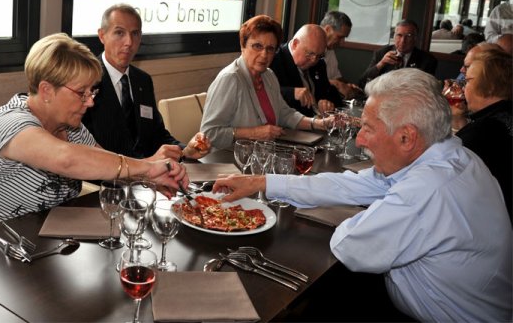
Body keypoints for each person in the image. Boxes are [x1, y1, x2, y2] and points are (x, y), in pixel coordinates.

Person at [213, 68, 511, 322]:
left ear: (407, 137)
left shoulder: (426, 191)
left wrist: (380, 210)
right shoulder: (450, 157)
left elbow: (349, 245)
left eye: (368, 127)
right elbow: (348, 184)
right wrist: (260, 182)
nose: (359, 138)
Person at [0, 33, 188, 238]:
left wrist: (150, 177)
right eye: (81, 93)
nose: (90, 102)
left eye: (93, 91)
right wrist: (147, 166)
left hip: (29, 243)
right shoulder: (10, 123)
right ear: (47, 90)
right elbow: (66, 159)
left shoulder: (72, 128)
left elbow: (106, 164)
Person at [82, 4, 210, 161]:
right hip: (107, 180)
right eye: (119, 33)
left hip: (148, 177)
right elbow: (84, 149)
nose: (129, 42)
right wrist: (145, 166)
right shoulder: (86, 82)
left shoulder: (142, 80)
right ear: (102, 36)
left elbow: (156, 135)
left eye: (134, 34)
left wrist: (186, 150)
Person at [200, 15, 326, 150]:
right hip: (230, 160)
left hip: (262, 155)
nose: (264, 55)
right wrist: (253, 133)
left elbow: (285, 113)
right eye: (257, 46)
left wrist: (318, 123)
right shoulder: (230, 79)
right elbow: (209, 133)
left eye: (270, 49)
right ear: (243, 45)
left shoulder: (268, 76)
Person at [456, 48, 512, 222]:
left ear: (490, 86)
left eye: (467, 81)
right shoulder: (503, 114)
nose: (463, 87)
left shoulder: (482, 133)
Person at [269, 24, 342, 117]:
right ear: (295, 44)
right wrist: (292, 92)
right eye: (310, 54)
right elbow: (264, 92)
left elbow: (328, 92)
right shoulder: (274, 60)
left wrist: (326, 103)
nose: (314, 60)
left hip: (316, 123)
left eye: (319, 56)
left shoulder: (319, 64)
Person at [359, 19, 437, 87]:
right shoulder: (382, 53)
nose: (403, 41)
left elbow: (427, 89)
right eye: (399, 35)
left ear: (415, 38)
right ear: (394, 37)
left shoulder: (428, 60)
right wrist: (381, 64)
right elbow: (362, 82)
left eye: (408, 36)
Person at [319, 11, 363, 99]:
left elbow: (337, 77)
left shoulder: (330, 51)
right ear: (327, 29)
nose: (342, 43)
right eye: (340, 37)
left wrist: (347, 85)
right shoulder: (308, 49)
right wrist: (336, 84)